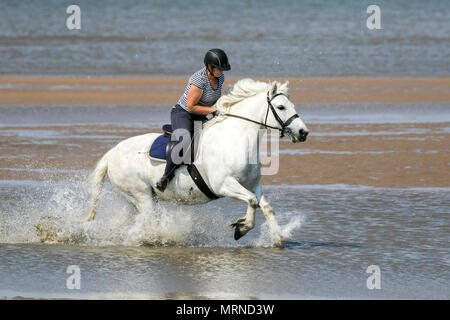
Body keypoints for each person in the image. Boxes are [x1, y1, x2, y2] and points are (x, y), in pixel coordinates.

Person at [155, 48, 231, 192]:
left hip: (201, 114)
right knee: (184, 139)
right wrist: (213, 111)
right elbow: (191, 106)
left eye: (223, 69)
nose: (221, 72)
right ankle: (166, 177)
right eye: (219, 69)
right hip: (183, 113)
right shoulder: (199, 79)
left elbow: (217, 99)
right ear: (209, 67)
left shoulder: (220, 78)